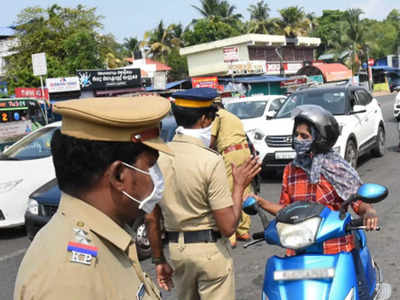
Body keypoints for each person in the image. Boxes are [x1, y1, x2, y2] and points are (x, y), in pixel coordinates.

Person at [14, 96, 172, 300]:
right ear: (119, 176)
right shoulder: (70, 280)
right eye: (151, 166)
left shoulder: (106, 236)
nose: (156, 178)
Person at [253, 105, 378, 300]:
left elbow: (357, 201)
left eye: (304, 136)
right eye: (296, 135)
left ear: (320, 139)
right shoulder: (291, 170)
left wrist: (368, 212)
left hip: (335, 247)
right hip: (299, 248)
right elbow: (286, 209)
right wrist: (261, 202)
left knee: (359, 293)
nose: (298, 140)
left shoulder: (337, 168)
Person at [146, 88, 261, 300]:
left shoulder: (158, 159)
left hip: (177, 252)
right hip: (210, 252)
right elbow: (227, 227)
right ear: (204, 120)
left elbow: (152, 218)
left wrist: (158, 260)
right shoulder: (210, 160)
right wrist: (238, 186)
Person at [209, 97, 254, 248]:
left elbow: (211, 140)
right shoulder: (232, 116)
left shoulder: (217, 116)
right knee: (244, 187)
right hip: (244, 151)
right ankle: (244, 230)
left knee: (229, 191)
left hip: (231, 154)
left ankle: (231, 233)